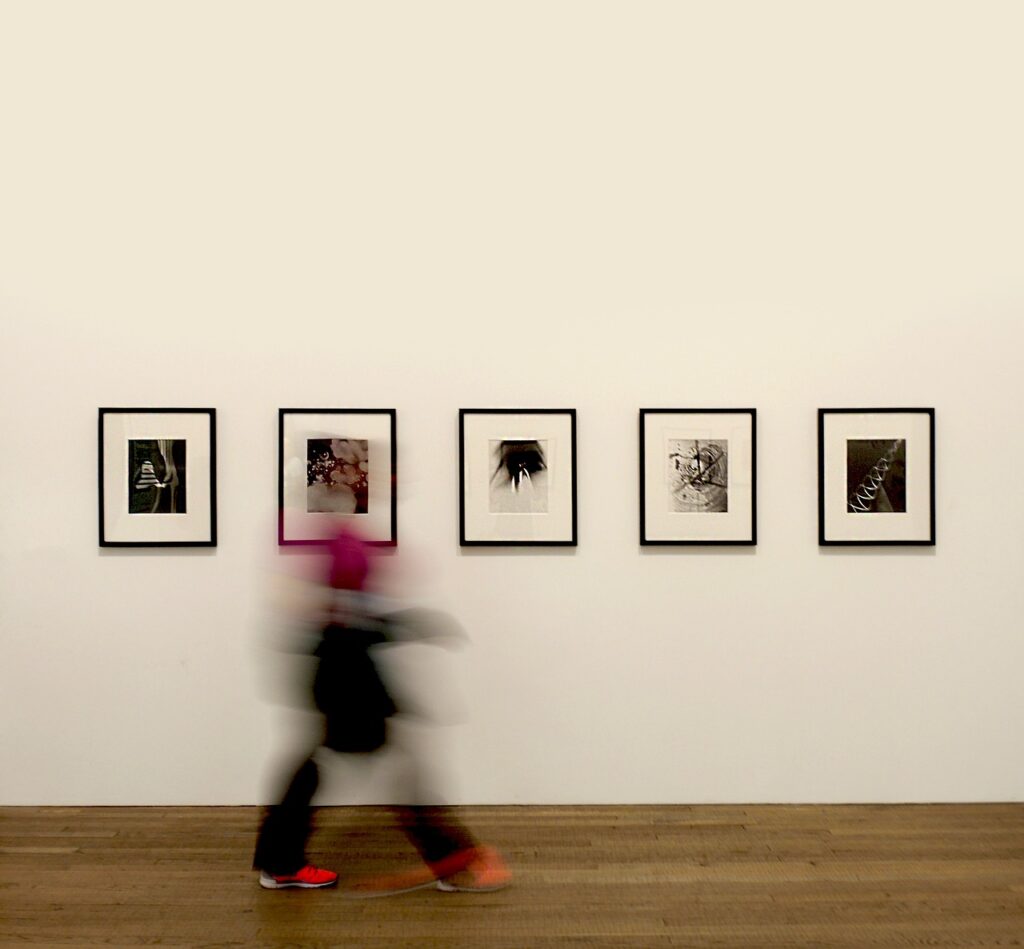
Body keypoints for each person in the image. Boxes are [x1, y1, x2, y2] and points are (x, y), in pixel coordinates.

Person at [253, 526, 510, 895]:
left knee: (313, 778)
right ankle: (453, 862)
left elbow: (371, 629)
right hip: (350, 707)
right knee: (397, 782)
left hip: (345, 705)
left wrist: (419, 628)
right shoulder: (341, 613)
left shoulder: (339, 607)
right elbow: (362, 637)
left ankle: (281, 862)